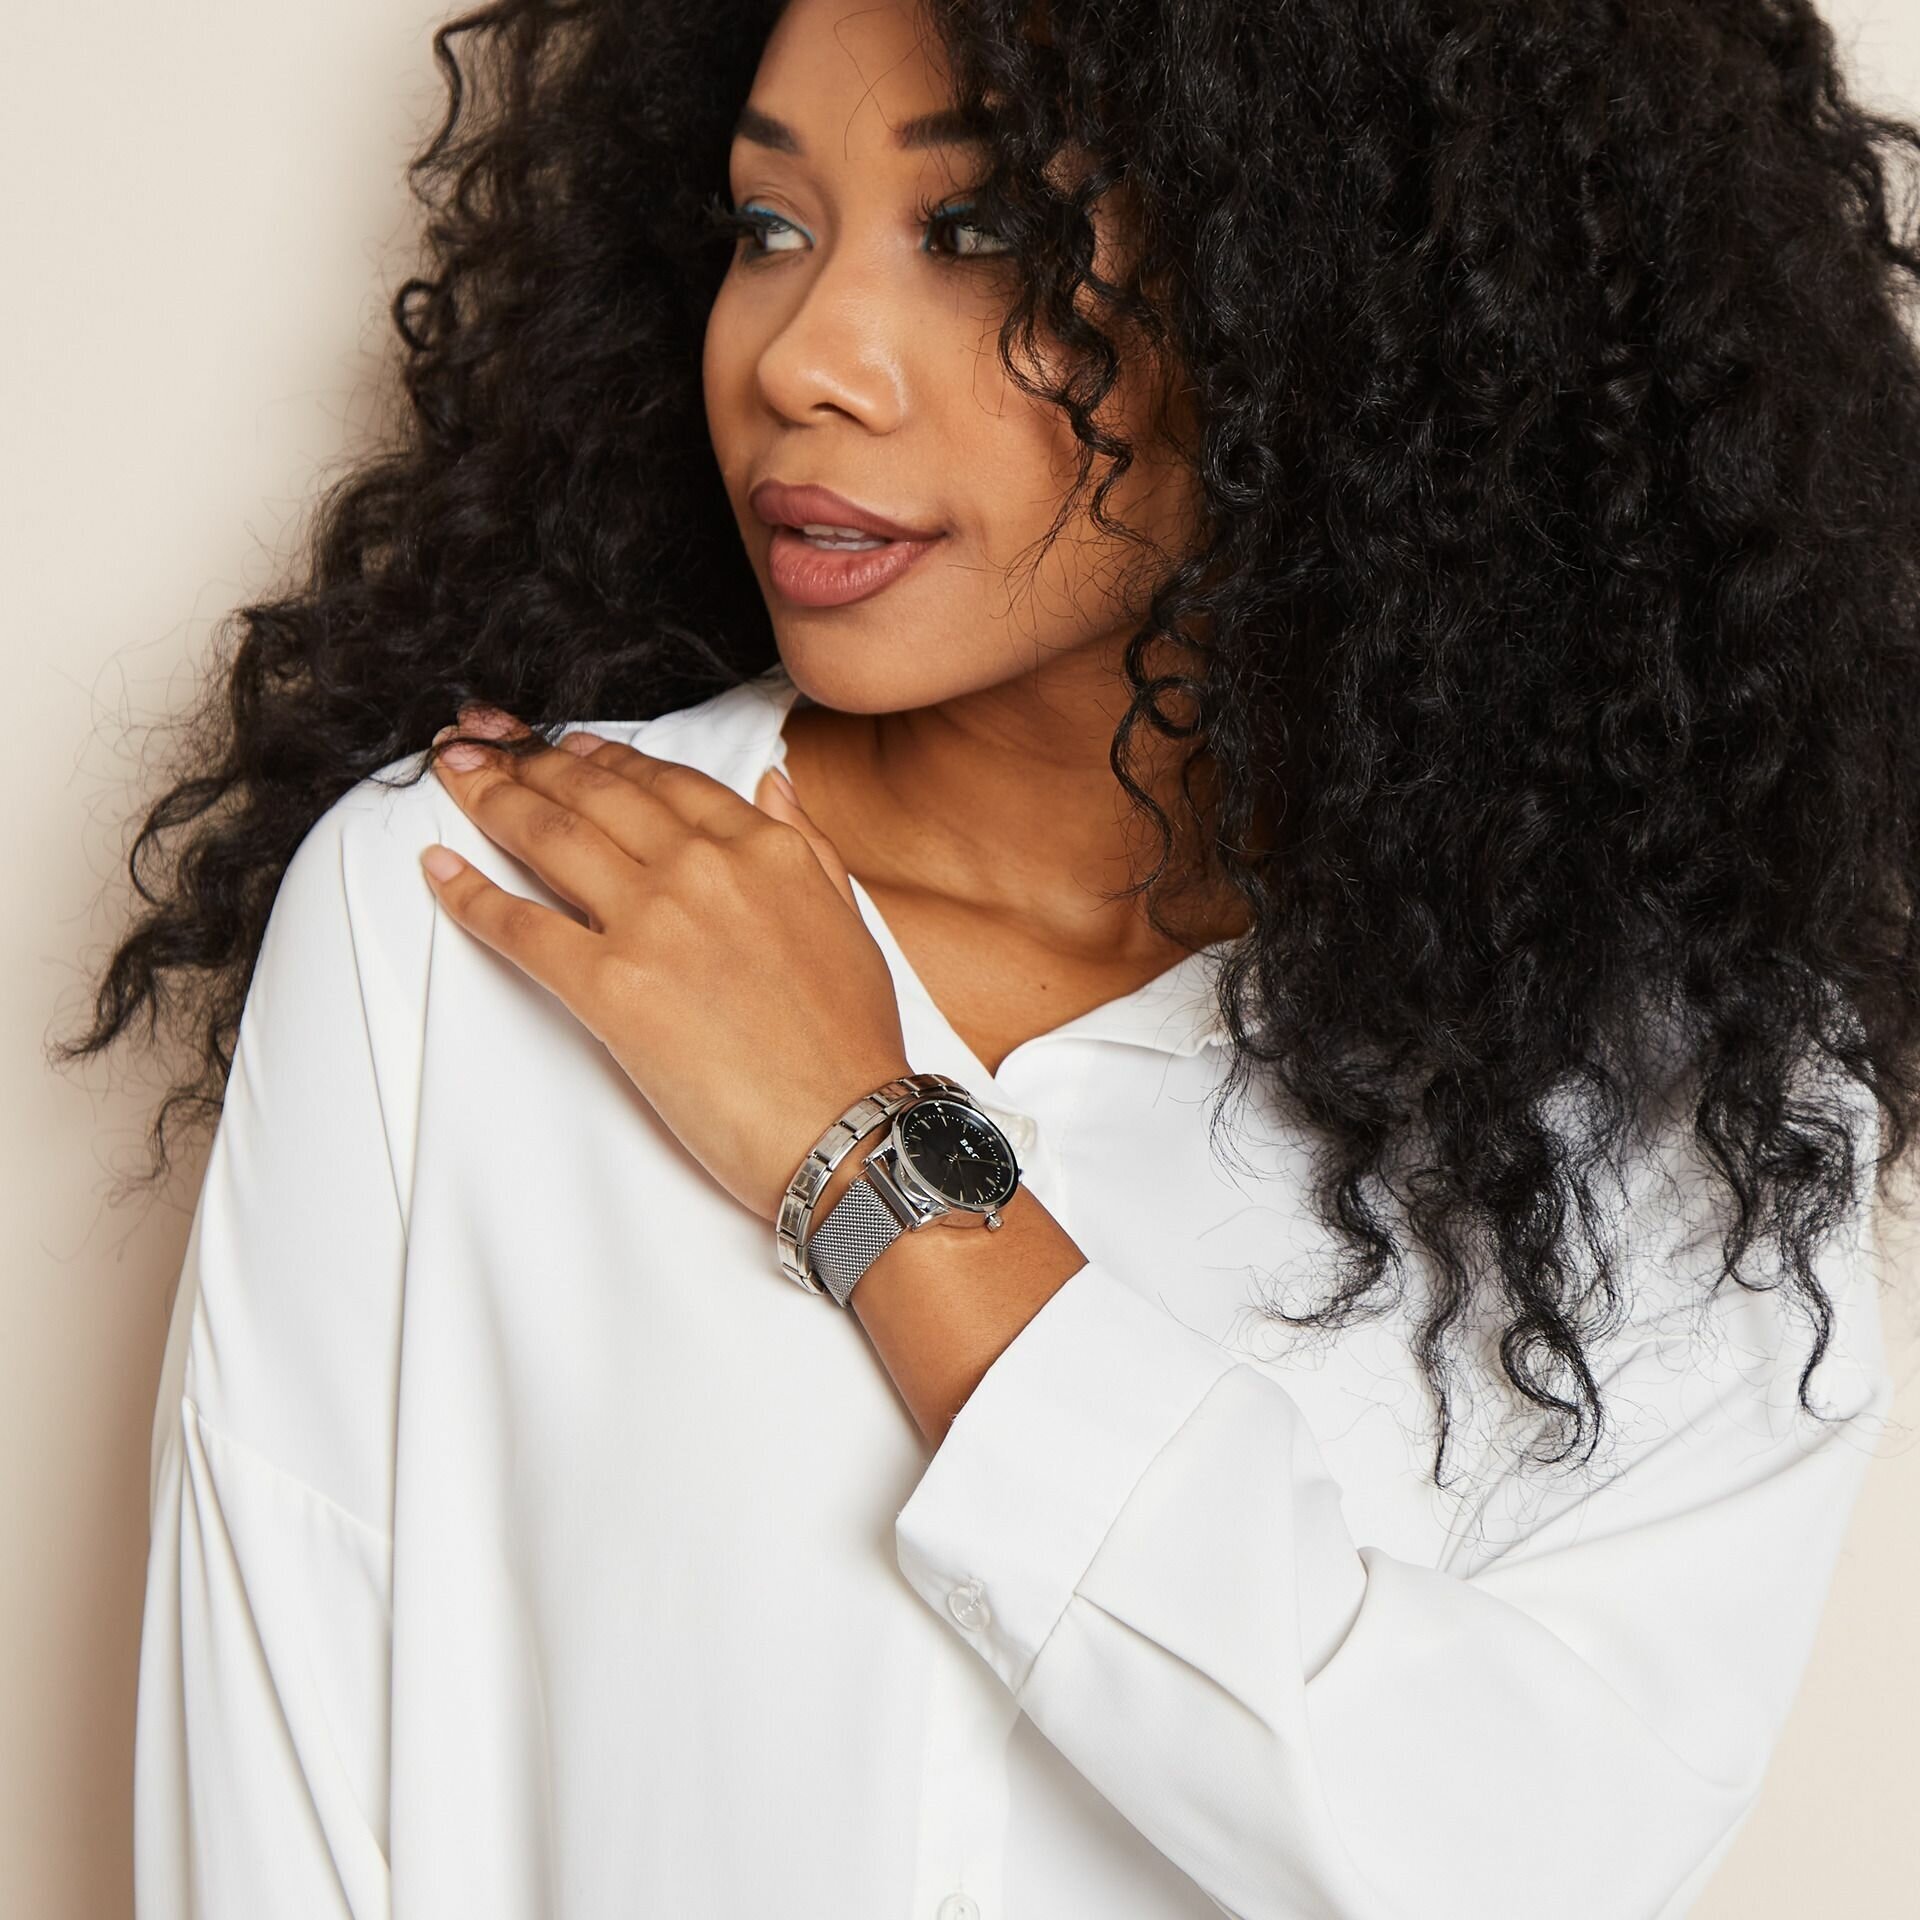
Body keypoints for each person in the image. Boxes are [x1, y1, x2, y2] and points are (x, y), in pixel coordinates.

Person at [54, 0, 1920, 1914]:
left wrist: (876, 1163)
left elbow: (1516, 1867)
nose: (803, 357)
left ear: (1333, 289)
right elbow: (274, 1826)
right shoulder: (469, 908)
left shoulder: (1687, 1105)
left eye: (984, 234)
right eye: (768, 226)